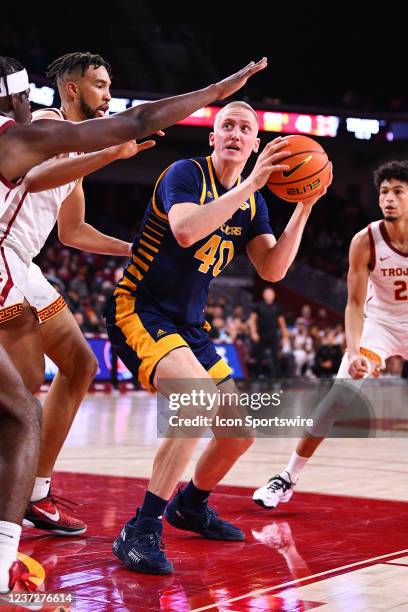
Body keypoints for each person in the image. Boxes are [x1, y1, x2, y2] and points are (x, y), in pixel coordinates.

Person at [0, 53, 266, 594]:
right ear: (71, 90)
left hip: (25, 266)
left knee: (78, 365)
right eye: (100, 85)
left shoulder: (71, 145)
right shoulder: (46, 126)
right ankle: (15, 513)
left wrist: (136, 247)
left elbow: (73, 232)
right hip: (4, 258)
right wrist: (108, 150)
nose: (108, 93)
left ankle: (37, 490)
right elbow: (37, 176)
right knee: (23, 398)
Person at [106, 100, 332, 574]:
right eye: (226, 124)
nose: (234, 132)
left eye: (244, 128)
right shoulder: (184, 173)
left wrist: (303, 209)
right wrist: (252, 183)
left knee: (237, 434)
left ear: (254, 145)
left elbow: (273, 269)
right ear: (213, 138)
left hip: (190, 325)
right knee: (195, 401)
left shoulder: (253, 203)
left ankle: (189, 506)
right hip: (140, 308)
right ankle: (141, 528)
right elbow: (186, 231)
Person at [252, 160, 408, 509]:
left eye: (398, 191)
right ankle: (287, 477)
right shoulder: (364, 240)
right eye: (385, 192)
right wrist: (354, 352)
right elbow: (354, 304)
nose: (389, 198)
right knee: (336, 399)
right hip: (379, 325)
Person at [249, 286, 289, 377]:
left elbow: (282, 323)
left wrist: (285, 337)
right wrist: (253, 332)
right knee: (259, 356)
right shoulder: (258, 306)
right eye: (267, 293)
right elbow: (252, 320)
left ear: (274, 295)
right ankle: (257, 376)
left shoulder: (277, 307)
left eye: (270, 294)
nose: (269, 295)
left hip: (273, 335)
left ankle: (276, 378)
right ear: (264, 295)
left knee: (276, 357)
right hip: (261, 334)